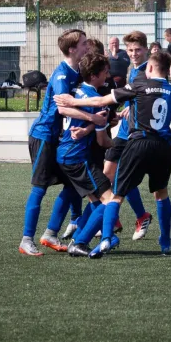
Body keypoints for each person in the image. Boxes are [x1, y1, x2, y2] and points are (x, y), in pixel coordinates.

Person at [54, 50, 171, 257]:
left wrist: (73, 102)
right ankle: (165, 242)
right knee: (161, 193)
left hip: (139, 143)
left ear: (149, 68)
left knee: (116, 195)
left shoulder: (140, 84)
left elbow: (103, 101)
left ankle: (105, 239)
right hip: (164, 147)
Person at [19, 29, 107, 256]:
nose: (87, 46)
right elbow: (62, 107)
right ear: (72, 49)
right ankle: (26, 239)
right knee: (40, 188)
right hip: (44, 136)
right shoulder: (61, 75)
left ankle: (50, 233)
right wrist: (93, 119)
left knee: (71, 187)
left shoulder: (78, 71)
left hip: (60, 139)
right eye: (84, 43)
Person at [56, 53, 114, 256]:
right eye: (105, 71)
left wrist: (88, 127)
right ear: (95, 75)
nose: (108, 74)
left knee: (96, 201)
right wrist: (122, 147)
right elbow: (103, 141)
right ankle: (79, 242)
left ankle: (78, 238)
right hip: (77, 157)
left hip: (65, 152)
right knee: (109, 201)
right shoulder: (97, 101)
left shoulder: (76, 91)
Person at [103, 31, 153, 242]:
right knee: (107, 172)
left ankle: (138, 216)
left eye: (137, 50)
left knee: (122, 176)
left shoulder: (147, 72)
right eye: (130, 50)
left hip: (136, 133)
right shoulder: (133, 70)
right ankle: (118, 219)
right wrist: (127, 109)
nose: (133, 54)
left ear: (146, 50)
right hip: (124, 129)